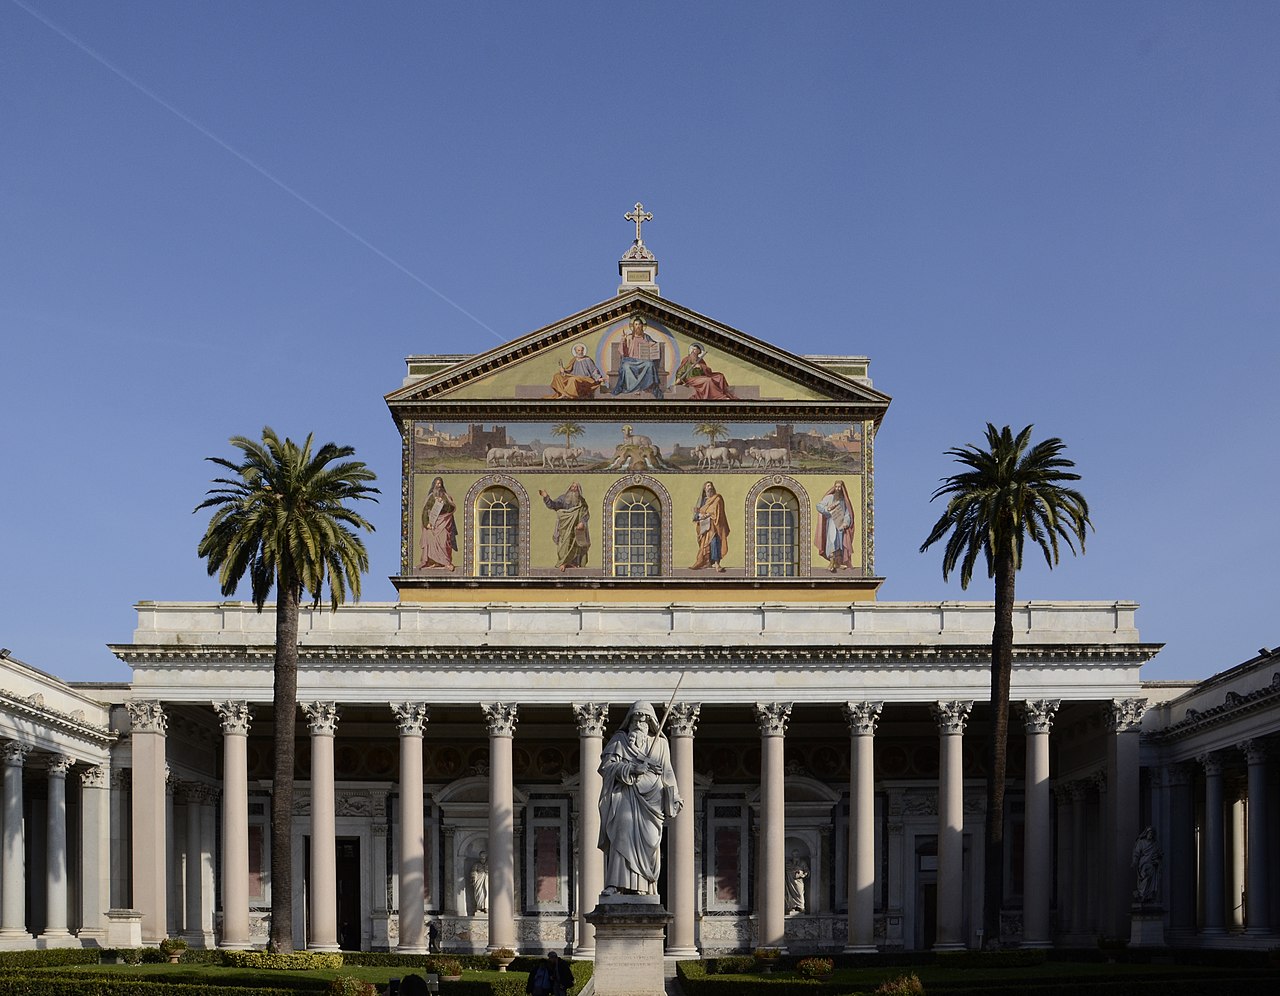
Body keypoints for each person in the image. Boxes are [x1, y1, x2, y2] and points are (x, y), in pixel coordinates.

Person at [598, 701, 683, 895]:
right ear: (630, 720)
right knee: (621, 837)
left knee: (650, 843)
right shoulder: (619, 741)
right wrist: (631, 768)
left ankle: (643, 887)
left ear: (651, 722)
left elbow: (667, 773)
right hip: (625, 797)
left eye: (644, 719)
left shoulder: (660, 744)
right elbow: (606, 767)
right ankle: (615, 884)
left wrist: (674, 796)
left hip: (651, 802)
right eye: (636, 718)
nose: (640, 723)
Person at [539, 483, 590, 571]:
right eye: (572, 487)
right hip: (564, 527)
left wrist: (582, 522)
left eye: (576, 487)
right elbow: (553, 505)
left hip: (576, 528)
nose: (574, 489)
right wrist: (546, 497)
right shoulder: (563, 499)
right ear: (569, 488)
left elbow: (585, 513)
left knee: (576, 545)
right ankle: (563, 562)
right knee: (563, 544)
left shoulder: (581, 501)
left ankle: (573, 563)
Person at [613, 316, 664, 398]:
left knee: (650, 364)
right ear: (633, 326)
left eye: (639, 324)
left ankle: (647, 387)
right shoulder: (629, 337)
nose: (638, 326)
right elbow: (622, 351)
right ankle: (632, 389)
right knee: (626, 366)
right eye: (636, 324)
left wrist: (653, 346)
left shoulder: (646, 337)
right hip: (631, 360)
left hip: (643, 360)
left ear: (642, 326)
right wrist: (623, 340)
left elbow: (653, 344)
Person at [814, 480, 855, 572]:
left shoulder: (844, 501)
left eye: (839, 487)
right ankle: (832, 562)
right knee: (832, 540)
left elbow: (848, 514)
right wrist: (827, 509)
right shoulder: (829, 498)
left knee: (840, 543)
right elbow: (819, 506)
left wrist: (846, 522)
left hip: (840, 524)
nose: (837, 489)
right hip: (832, 523)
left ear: (842, 488)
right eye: (836, 487)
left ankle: (838, 563)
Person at [690, 481, 730, 572]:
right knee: (705, 545)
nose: (709, 487)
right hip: (705, 527)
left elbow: (718, 511)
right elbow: (698, 514)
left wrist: (708, 515)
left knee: (715, 542)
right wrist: (699, 515)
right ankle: (707, 562)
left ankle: (717, 564)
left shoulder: (717, 499)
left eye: (711, 486)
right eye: (708, 486)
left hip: (715, 526)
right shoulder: (703, 501)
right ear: (705, 489)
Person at [419, 477, 457, 571]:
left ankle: (446, 562)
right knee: (430, 540)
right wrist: (426, 523)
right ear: (434, 485)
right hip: (432, 524)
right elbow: (425, 511)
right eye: (436, 484)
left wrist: (443, 503)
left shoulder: (445, 497)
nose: (438, 486)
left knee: (444, 542)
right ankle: (432, 562)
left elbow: (451, 508)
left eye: (440, 484)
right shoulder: (430, 497)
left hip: (443, 523)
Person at [1131, 826, 1162, 903]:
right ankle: (1142, 894)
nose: (1150, 835)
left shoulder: (1155, 844)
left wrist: (1157, 859)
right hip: (1143, 864)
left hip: (1152, 865)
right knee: (1145, 877)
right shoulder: (1141, 843)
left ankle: (1148, 895)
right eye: (1149, 833)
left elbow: (1159, 854)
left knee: (1150, 880)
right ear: (1146, 833)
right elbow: (1136, 853)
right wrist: (1134, 862)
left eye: (1152, 833)